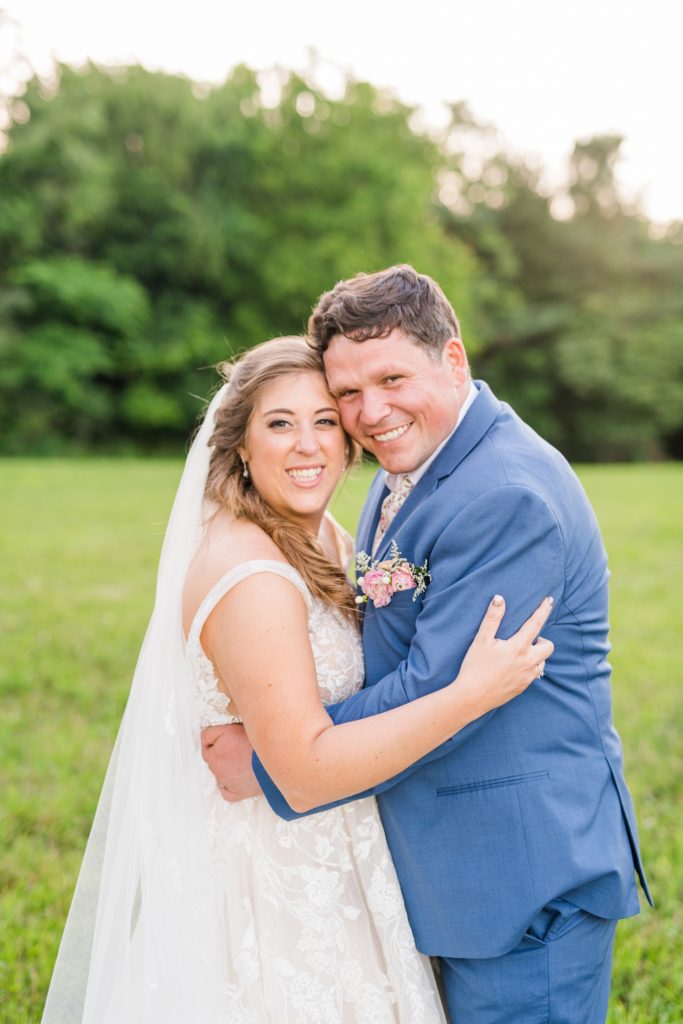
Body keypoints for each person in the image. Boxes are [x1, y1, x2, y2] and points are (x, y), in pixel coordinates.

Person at [42, 335, 554, 1024]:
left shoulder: (322, 536)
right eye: (280, 423)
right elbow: (305, 774)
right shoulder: (252, 574)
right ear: (240, 445)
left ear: (349, 440)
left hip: (342, 851)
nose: (307, 445)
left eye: (324, 421)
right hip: (278, 877)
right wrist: (468, 695)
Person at [205, 269, 652, 1024]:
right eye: (348, 392)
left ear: (452, 359)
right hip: (446, 866)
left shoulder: (505, 492)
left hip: (518, 880)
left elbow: (436, 688)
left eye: (391, 379)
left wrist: (281, 755)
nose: (370, 412)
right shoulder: (415, 463)